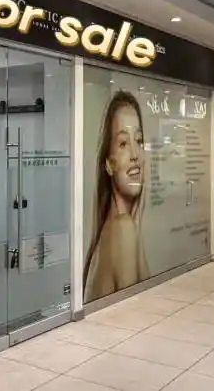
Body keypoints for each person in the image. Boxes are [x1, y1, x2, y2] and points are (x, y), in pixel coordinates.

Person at [84, 90, 149, 302]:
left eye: (138, 140)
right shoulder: (123, 230)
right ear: (109, 164)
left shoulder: (117, 227)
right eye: (123, 144)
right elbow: (136, 313)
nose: (135, 154)